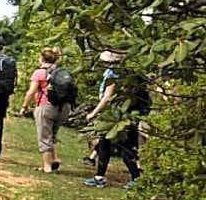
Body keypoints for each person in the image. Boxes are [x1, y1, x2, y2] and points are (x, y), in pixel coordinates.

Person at [84, 50, 148, 188]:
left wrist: (94, 113)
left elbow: (107, 98)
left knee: (125, 147)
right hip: (126, 114)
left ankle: (136, 179)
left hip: (119, 116)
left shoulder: (113, 74)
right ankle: (99, 176)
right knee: (105, 144)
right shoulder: (129, 73)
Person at [18, 47, 74, 173]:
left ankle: (47, 166)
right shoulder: (61, 72)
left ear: (42, 58)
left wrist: (24, 106)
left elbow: (31, 92)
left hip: (46, 107)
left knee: (44, 137)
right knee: (52, 135)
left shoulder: (40, 72)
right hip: (63, 108)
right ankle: (54, 159)